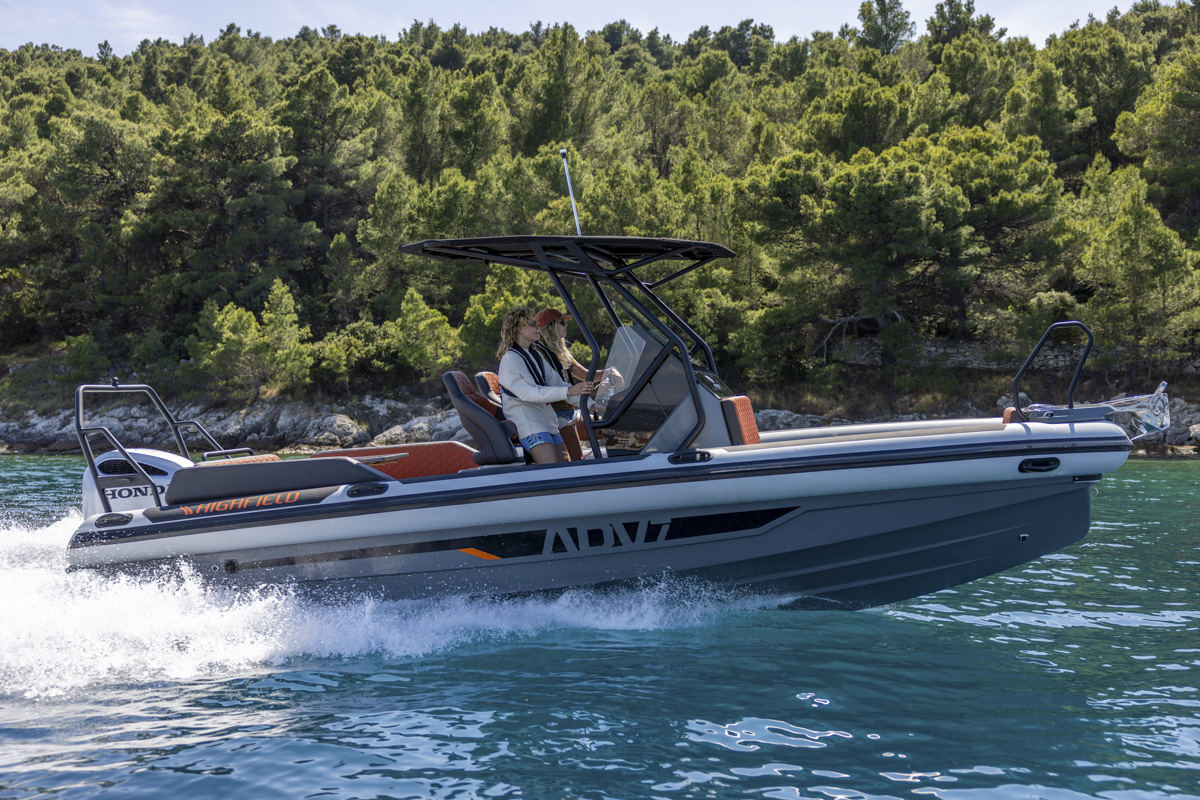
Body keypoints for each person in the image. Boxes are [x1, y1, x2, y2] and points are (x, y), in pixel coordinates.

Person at [496, 307, 594, 465]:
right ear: (519, 328)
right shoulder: (511, 360)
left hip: (547, 422)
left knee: (566, 468)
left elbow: (558, 384)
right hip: (531, 425)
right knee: (554, 472)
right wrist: (569, 390)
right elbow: (530, 393)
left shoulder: (534, 355)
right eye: (532, 324)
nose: (537, 328)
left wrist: (592, 404)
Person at [533, 307, 622, 461]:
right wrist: (590, 401)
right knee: (576, 461)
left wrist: (610, 371)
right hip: (557, 415)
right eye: (562, 322)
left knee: (606, 426)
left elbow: (587, 375)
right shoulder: (540, 354)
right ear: (550, 327)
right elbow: (558, 387)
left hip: (570, 409)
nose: (566, 325)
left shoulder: (561, 353)